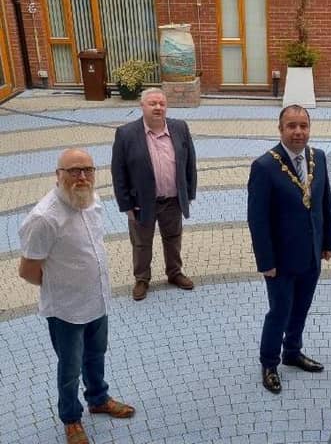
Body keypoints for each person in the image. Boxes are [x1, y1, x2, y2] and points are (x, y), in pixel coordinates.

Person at [18, 149, 135, 444]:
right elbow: (27, 270)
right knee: (70, 368)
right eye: (73, 171)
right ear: (58, 176)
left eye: (87, 169)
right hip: (66, 310)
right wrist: (61, 287)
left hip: (97, 300)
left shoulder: (92, 200)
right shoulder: (44, 218)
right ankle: (71, 418)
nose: (82, 176)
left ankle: (98, 398)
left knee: (96, 355)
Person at [248, 104, 331, 394]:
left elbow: (324, 202)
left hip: (311, 252)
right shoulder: (264, 166)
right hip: (281, 259)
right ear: (280, 129)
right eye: (291, 126)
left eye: (303, 126)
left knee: (301, 307)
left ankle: (293, 351)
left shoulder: (319, 158)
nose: (298, 132)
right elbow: (257, 219)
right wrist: (266, 261)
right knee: (280, 311)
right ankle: (269, 361)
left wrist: (329, 242)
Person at [111, 87, 197, 301]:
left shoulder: (180, 128)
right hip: (141, 203)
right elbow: (118, 172)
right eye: (153, 104)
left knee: (173, 239)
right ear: (142, 106)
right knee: (141, 243)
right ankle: (142, 279)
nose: (158, 107)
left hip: (173, 201)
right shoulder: (126, 134)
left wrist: (189, 194)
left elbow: (190, 163)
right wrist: (126, 205)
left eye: (161, 104)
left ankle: (174, 273)